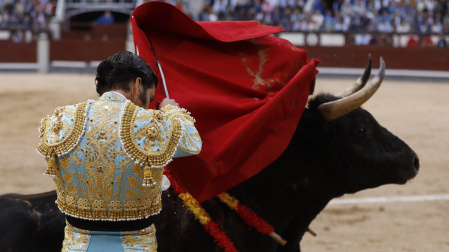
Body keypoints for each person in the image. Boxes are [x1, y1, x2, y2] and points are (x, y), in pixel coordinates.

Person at [37, 51, 202, 251]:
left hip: (78, 245)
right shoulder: (149, 125)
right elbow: (192, 142)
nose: (147, 107)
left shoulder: (62, 120)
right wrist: (171, 110)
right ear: (137, 85)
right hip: (135, 246)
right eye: (148, 99)